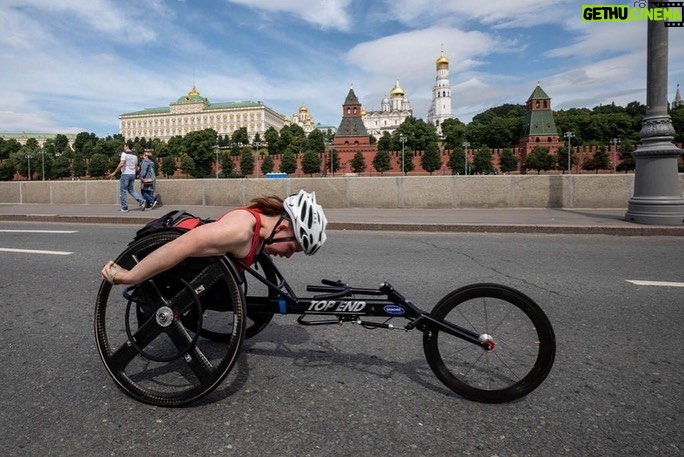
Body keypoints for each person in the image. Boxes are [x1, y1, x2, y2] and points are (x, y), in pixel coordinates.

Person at [101, 190, 327, 286]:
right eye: (292, 248)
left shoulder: (261, 233)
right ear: (283, 228)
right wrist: (130, 276)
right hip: (159, 252)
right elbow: (182, 245)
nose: (287, 255)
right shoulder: (240, 231)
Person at [109, 144, 146, 212]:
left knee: (123, 191)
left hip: (125, 174)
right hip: (132, 174)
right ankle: (141, 200)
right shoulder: (135, 156)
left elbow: (122, 163)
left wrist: (114, 172)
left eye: (124, 146)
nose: (123, 147)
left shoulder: (124, 154)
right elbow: (136, 168)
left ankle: (124, 207)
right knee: (131, 190)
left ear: (127, 146)